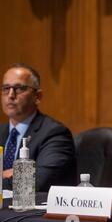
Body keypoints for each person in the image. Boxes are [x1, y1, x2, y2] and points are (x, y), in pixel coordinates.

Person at [1, 63, 76, 191]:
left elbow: (39, 181)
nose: (11, 95)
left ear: (38, 96)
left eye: (19, 88)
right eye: (6, 88)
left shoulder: (55, 133)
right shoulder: (2, 131)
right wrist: (8, 175)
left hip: (35, 209)